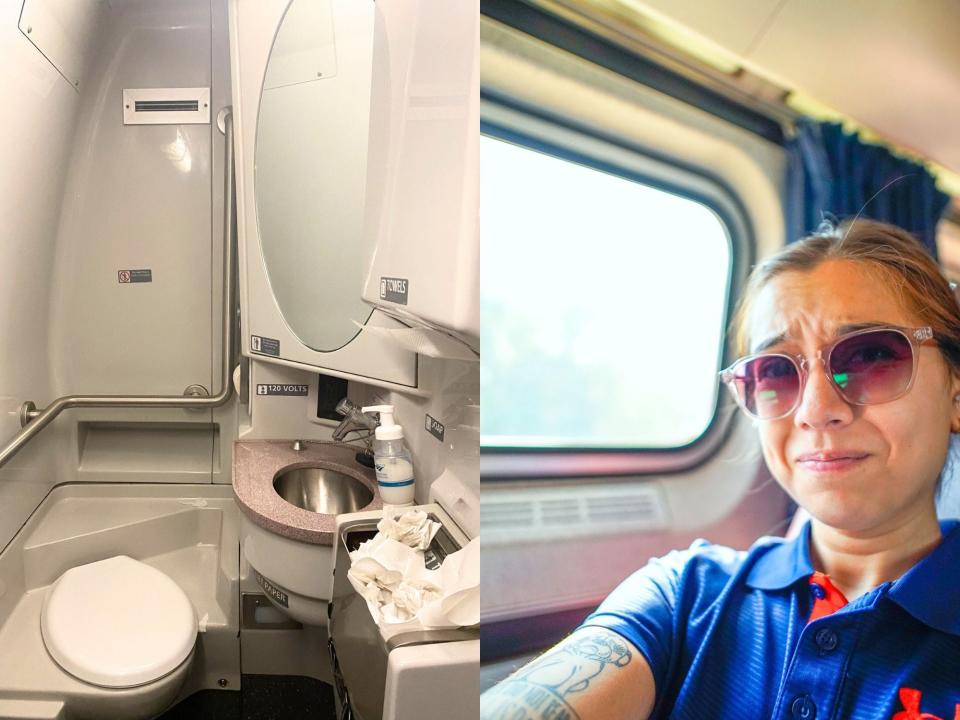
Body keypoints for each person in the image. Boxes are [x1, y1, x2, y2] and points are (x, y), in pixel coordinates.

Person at [480, 218, 960, 720]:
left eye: (871, 357)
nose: (816, 410)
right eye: (775, 370)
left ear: (954, 392)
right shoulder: (684, 593)